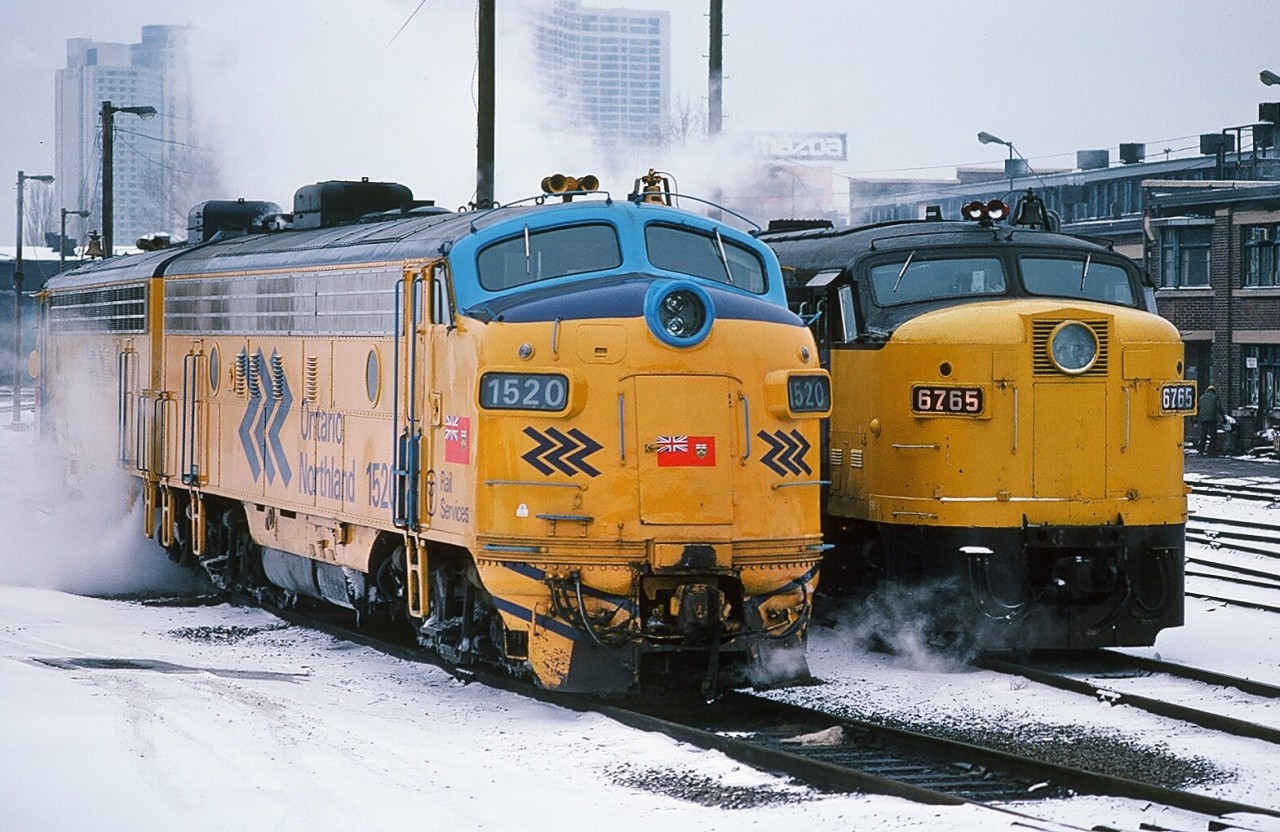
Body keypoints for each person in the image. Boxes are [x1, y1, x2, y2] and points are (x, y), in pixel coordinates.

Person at [1198, 384, 1224, 455]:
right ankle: (1211, 450)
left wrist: (1196, 418)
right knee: (1213, 436)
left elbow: (1198, 408)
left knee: (1203, 435)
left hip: (1203, 419)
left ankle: (1201, 449)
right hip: (1212, 418)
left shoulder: (1201, 398)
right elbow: (1219, 408)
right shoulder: (1215, 397)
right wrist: (1223, 417)